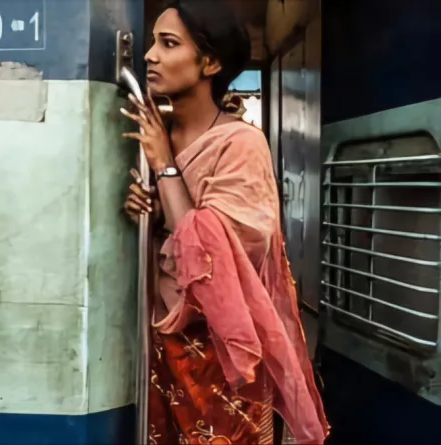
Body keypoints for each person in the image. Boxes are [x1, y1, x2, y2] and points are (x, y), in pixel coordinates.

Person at [121, 1, 328, 444]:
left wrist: (166, 169)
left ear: (209, 63)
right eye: (153, 42)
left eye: (169, 43)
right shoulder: (150, 133)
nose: (149, 56)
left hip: (222, 359)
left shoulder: (241, 145)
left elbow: (217, 261)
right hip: (155, 342)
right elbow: (166, 233)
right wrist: (146, 210)